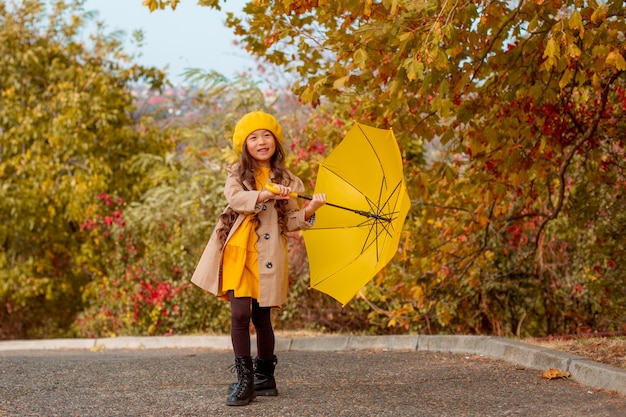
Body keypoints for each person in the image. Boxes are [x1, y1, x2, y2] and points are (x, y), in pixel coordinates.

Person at [190, 111, 326, 406]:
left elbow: (288, 221)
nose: (261, 141)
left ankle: (266, 378)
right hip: (240, 252)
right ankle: (245, 381)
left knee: (262, 318)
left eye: (266, 135)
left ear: (276, 142)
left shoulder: (290, 180)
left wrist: (310, 209)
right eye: (253, 137)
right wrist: (265, 194)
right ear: (245, 145)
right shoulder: (236, 175)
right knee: (239, 315)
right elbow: (236, 200)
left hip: (268, 256)